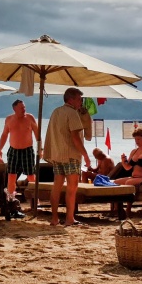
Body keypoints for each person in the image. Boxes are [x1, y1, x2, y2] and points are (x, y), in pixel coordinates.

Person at [43, 87, 92, 227]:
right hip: (71, 155)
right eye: (79, 99)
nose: (80, 102)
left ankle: (54, 218)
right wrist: (86, 156)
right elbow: (75, 137)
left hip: (58, 155)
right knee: (72, 188)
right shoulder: (71, 113)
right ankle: (69, 219)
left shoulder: (56, 112)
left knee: (57, 187)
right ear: (70, 99)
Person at [0, 99, 40, 202]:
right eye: (21, 108)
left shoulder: (30, 118)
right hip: (13, 151)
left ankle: (35, 199)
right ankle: (11, 199)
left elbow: (37, 134)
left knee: (31, 176)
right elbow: (4, 134)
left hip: (27, 150)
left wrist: (41, 149)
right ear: (15, 109)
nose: (24, 109)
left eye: (24, 107)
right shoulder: (9, 119)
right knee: (11, 175)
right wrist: (0, 149)